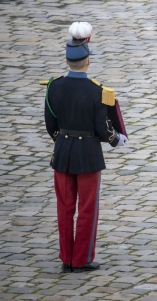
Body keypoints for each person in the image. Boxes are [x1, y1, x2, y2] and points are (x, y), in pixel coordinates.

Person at [44, 22, 127, 273]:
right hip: (89, 154)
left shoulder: (54, 86)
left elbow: (51, 125)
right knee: (88, 209)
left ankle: (66, 257)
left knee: (64, 208)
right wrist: (115, 139)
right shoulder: (97, 91)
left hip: (62, 152)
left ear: (68, 60)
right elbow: (103, 126)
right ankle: (81, 259)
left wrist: (63, 141)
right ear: (87, 61)